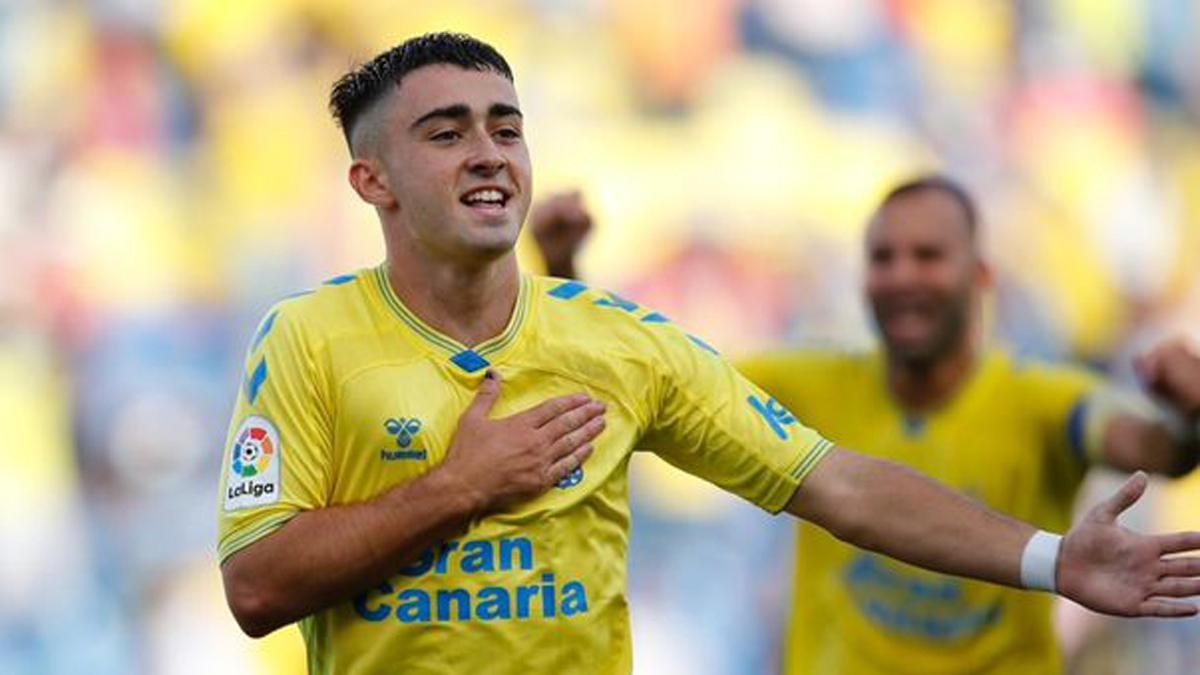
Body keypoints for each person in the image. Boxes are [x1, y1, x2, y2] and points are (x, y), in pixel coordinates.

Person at [217, 33, 1200, 675]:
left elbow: (836, 484)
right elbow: (257, 588)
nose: (489, 152)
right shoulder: (308, 340)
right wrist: (460, 485)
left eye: (506, 128)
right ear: (371, 180)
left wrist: (1050, 559)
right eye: (447, 132)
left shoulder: (620, 343)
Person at [533, 176, 1200, 673]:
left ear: (982, 274)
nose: (902, 275)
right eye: (883, 257)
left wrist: (1188, 411)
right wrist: (565, 273)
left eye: (928, 255)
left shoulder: (1045, 399)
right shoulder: (811, 381)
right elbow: (659, 387)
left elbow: (1152, 446)